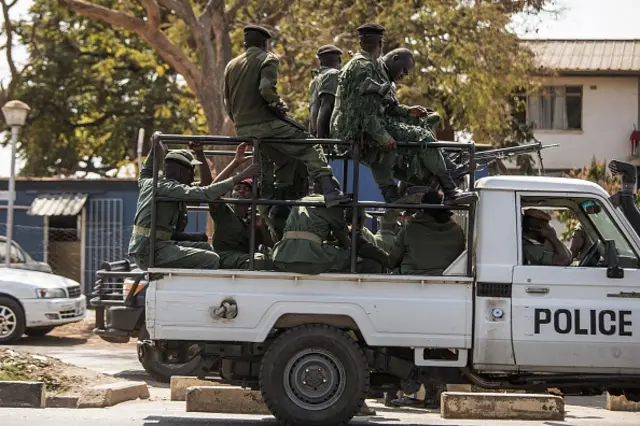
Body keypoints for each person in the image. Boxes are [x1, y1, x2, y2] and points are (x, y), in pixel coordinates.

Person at [330, 23, 472, 205]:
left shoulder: (374, 68)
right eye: (404, 70)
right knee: (422, 136)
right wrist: (383, 136)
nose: (404, 75)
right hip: (355, 130)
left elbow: (385, 107)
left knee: (419, 126)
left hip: (363, 126)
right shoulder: (363, 67)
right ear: (382, 45)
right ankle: (450, 189)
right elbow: (364, 113)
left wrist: (408, 111)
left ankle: (397, 194)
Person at [223, 24, 349, 208]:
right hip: (265, 123)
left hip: (242, 129)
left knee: (285, 159)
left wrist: (241, 123)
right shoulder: (267, 59)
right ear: (265, 43)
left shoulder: (231, 65)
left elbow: (226, 102)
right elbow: (266, 88)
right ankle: (331, 191)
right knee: (309, 144)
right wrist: (278, 104)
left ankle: (279, 205)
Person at [128, 141, 258, 270]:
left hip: (157, 246)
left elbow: (206, 186)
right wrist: (242, 175)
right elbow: (206, 192)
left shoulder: (150, 182)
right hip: (151, 251)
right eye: (192, 172)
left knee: (208, 247)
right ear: (182, 172)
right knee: (211, 259)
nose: (192, 178)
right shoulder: (169, 189)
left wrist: (157, 145)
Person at [271, 179, 387, 274]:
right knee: (361, 261)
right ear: (334, 191)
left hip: (283, 256)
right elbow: (344, 239)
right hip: (310, 259)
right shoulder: (332, 204)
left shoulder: (300, 202)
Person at [205, 143, 273, 270]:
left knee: (266, 260)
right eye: (237, 188)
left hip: (246, 260)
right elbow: (212, 191)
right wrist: (236, 163)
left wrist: (261, 227)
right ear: (232, 193)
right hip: (223, 258)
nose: (241, 191)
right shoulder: (224, 211)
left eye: (247, 189)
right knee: (259, 260)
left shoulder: (257, 216)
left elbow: (271, 244)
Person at [389, 190, 465, 275]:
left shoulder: (410, 228)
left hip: (411, 277)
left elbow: (393, 260)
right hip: (449, 278)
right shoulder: (458, 231)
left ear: (423, 208)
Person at [309, 45, 343, 139]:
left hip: (315, 132)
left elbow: (313, 110)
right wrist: (322, 141)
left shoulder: (316, 79)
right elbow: (326, 107)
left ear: (321, 61)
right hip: (329, 136)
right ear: (339, 60)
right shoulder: (333, 74)